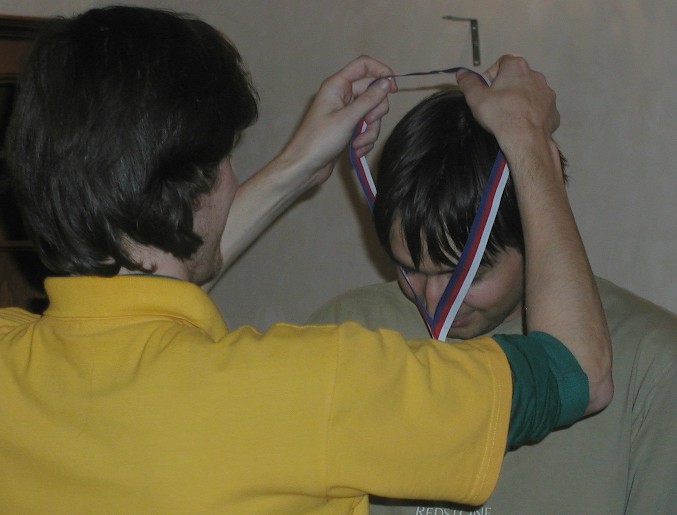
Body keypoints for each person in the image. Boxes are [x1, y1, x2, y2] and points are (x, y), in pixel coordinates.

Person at [0, 6, 612, 513]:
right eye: (226, 161)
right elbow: (578, 373)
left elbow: (153, 263)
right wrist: (528, 138)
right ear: (196, 190)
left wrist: (299, 164)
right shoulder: (320, 386)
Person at [310, 88, 677, 514]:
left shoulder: (654, 364)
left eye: (469, 274)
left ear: (535, 235)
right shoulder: (345, 332)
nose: (435, 300)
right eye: (409, 269)